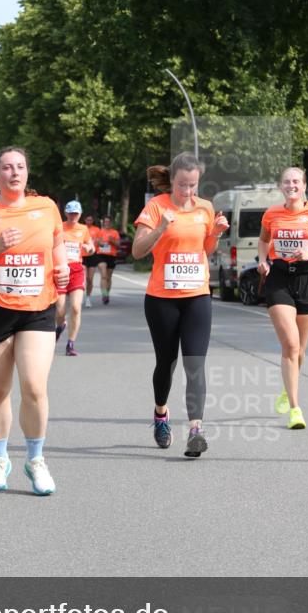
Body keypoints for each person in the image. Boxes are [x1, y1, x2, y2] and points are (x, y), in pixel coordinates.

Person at [0, 147, 69, 495]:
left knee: (34, 386)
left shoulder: (47, 207)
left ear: (27, 172)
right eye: (6, 168)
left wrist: (62, 269)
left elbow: (57, 246)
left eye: (20, 166)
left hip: (38, 307)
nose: (14, 173)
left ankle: (36, 460)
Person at [132, 153, 229, 457]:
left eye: (193, 185)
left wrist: (215, 233)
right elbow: (137, 251)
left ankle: (196, 430)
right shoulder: (156, 207)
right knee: (166, 363)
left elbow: (206, 248)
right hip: (162, 299)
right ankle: (161, 413)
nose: (188, 191)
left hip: (197, 296)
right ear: (172, 181)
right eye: (183, 185)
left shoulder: (205, 208)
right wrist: (160, 228)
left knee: (195, 363)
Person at [257, 166, 308, 430]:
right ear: (281, 186)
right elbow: (263, 240)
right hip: (279, 278)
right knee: (290, 346)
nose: (291, 185)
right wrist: (262, 261)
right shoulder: (272, 214)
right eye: (286, 181)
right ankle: (295, 408)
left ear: (304, 186)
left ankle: (287, 388)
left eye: (296, 181)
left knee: (300, 349)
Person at [55, 200, 94, 355]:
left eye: (76, 214)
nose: (73, 216)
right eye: (70, 213)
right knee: (60, 311)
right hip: (61, 270)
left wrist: (89, 248)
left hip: (77, 270)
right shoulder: (59, 228)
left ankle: (70, 344)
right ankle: (60, 326)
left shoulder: (83, 229)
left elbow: (91, 247)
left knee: (76, 308)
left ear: (80, 214)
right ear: (66, 213)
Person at [95, 215, 120, 304]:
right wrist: (99, 242)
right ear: (103, 223)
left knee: (108, 277)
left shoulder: (115, 232)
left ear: (111, 223)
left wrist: (112, 240)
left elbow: (118, 245)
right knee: (104, 276)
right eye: (105, 222)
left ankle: (107, 294)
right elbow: (95, 242)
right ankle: (104, 294)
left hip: (111, 256)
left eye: (108, 222)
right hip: (101, 255)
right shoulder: (100, 232)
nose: (107, 223)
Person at [82, 214, 101, 308]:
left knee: (90, 279)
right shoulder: (81, 228)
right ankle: (79, 296)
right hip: (83, 255)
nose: (89, 221)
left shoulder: (96, 229)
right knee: (83, 278)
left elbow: (100, 241)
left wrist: (98, 242)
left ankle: (88, 298)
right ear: (85, 220)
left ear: (92, 221)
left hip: (93, 255)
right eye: (87, 220)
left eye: (90, 220)